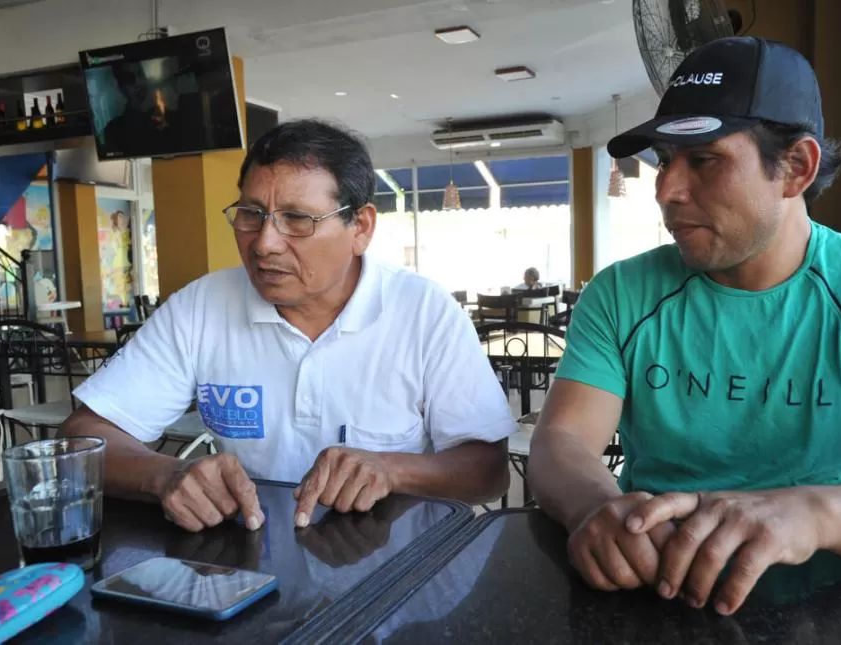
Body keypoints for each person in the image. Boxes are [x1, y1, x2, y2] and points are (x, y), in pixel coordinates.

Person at [529, 36, 841, 617]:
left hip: (840, 606)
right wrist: (593, 507)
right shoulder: (622, 294)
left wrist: (810, 513)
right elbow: (563, 441)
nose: (666, 191)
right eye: (663, 160)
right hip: (653, 594)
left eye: (703, 160)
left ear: (796, 168)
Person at [59, 119, 515, 533]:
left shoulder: (423, 313)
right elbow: (82, 437)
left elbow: (488, 472)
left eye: (297, 219)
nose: (265, 243)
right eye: (251, 214)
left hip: (394, 572)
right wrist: (166, 475)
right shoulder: (202, 307)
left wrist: (391, 470)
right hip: (250, 565)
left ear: (361, 227)